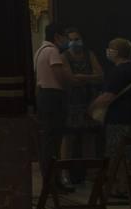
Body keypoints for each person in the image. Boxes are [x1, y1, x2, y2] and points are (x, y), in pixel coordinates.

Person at [35, 22, 82, 190]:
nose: (65, 40)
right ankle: (52, 181)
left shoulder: (40, 50)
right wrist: (72, 82)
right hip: (54, 97)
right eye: (63, 37)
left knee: (48, 140)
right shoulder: (52, 51)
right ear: (57, 36)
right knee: (54, 140)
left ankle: (50, 179)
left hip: (43, 96)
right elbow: (58, 74)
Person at [99, 38, 131, 199]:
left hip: (119, 118)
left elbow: (107, 96)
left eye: (110, 48)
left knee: (117, 152)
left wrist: (91, 108)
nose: (108, 51)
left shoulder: (118, 71)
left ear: (116, 52)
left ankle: (121, 187)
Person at [63, 27, 106, 184]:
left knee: (90, 137)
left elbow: (100, 76)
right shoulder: (64, 56)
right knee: (69, 139)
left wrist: (82, 77)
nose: (74, 42)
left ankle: (92, 172)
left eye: (77, 38)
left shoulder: (90, 54)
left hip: (89, 101)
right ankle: (65, 173)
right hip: (71, 103)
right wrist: (89, 78)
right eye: (71, 39)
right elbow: (70, 79)